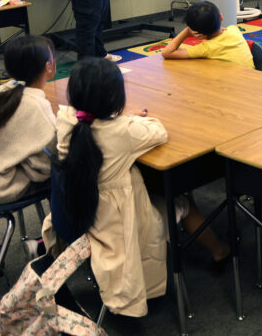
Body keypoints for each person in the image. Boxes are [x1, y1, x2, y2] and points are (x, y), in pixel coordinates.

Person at [42, 58, 230, 317]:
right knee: (184, 201)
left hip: (77, 210)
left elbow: (104, 129)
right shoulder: (121, 132)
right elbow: (158, 131)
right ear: (116, 98)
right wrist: (128, 119)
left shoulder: (66, 119)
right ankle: (220, 250)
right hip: (116, 225)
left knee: (151, 182)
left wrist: (123, 119)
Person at [0, 35, 57, 204]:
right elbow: (46, 166)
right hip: (2, 186)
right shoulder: (37, 106)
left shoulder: (4, 89)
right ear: (48, 67)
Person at [160, 1, 253, 68]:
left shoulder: (206, 48)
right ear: (221, 17)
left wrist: (187, 31)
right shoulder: (234, 29)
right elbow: (222, 30)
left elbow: (167, 53)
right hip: (251, 81)